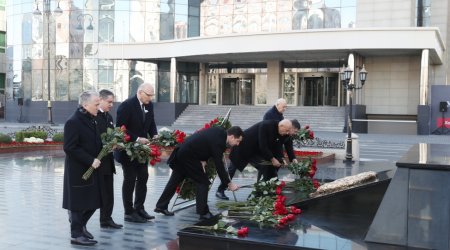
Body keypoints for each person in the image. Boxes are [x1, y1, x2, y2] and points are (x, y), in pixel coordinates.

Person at [154, 126, 243, 220]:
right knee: (203, 182)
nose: (237, 144)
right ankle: (203, 213)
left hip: (183, 152)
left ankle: (161, 206)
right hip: (188, 156)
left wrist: (203, 159)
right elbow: (219, 165)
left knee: (175, 180)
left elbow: (205, 143)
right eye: (238, 141)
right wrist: (229, 183)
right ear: (232, 137)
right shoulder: (220, 142)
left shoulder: (219, 131)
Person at [216, 119, 292, 200]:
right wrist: (273, 159)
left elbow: (277, 146)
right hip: (243, 146)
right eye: (287, 130)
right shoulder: (267, 125)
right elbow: (263, 145)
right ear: (281, 126)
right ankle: (220, 190)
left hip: (255, 151)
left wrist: (280, 158)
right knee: (232, 169)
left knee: (266, 167)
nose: (287, 133)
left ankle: (260, 191)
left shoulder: (280, 132)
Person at [62, 91, 102, 246]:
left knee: (94, 200)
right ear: (85, 105)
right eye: (96, 104)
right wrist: (90, 160)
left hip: (92, 167)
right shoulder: (73, 122)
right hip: (78, 169)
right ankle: (76, 235)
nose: (98, 107)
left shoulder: (92, 119)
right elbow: (70, 147)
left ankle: (80, 224)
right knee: (78, 203)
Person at [114, 83, 158, 223]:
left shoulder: (148, 105)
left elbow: (151, 122)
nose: (150, 98)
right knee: (130, 180)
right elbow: (120, 129)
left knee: (143, 177)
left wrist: (155, 135)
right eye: (148, 95)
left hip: (142, 150)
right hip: (128, 150)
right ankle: (128, 212)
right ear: (140, 92)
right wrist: (137, 139)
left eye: (152, 95)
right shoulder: (127, 105)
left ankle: (139, 208)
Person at [95, 89, 123, 229]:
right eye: (109, 102)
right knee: (97, 194)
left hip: (108, 161)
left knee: (108, 192)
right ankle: (78, 221)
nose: (111, 105)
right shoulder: (94, 117)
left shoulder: (109, 117)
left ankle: (106, 219)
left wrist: (116, 144)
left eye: (113, 102)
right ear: (100, 99)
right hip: (97, 161)